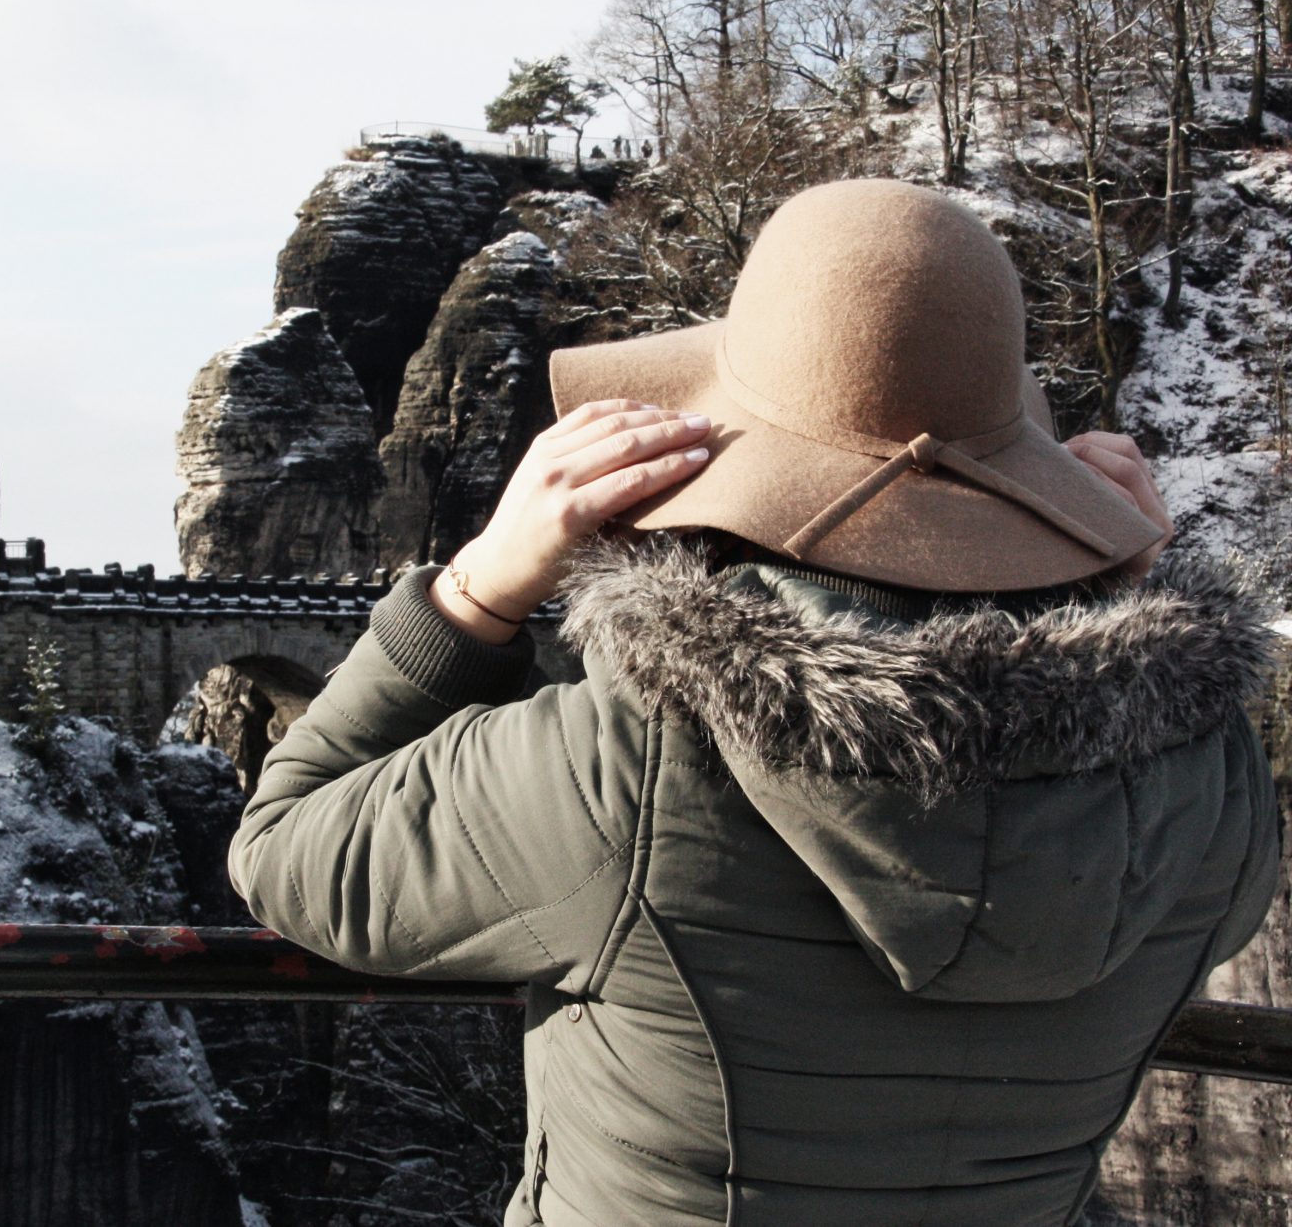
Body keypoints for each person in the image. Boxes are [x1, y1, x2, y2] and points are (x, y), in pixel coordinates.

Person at [226, 179, 1280, 1226]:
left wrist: (475, 592)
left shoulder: (622, 765)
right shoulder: (1209, 786)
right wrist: (1134, 597)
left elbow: (284, 850)